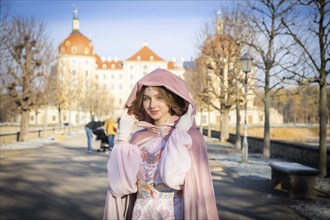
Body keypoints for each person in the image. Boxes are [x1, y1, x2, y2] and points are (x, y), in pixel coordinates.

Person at [103, 68, 219, 220]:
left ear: (171, 99)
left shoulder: (191, 137)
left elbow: (173, 179)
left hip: (174, 214)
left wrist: (179, 134)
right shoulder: (138, 138)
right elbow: (120, 186)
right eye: (146, 98)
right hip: (140, 214)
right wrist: (123, 140)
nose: (152, 105)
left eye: (159, 98)